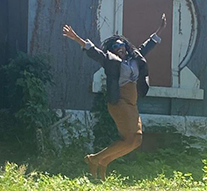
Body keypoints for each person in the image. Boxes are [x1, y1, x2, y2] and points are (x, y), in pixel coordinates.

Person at [62, 14, 167, 179]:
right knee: (131, 137)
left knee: (136, 140)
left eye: (123, 44)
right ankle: (95, 159)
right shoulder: (110, 61)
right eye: (117, 45)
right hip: (119, 101)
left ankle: (103, 161)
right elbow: (93, 51)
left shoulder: (134, 58)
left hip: (132, 102)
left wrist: (160, 29)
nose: (121, 47)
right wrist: (76, 38)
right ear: (112, 49)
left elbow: (148, 46)